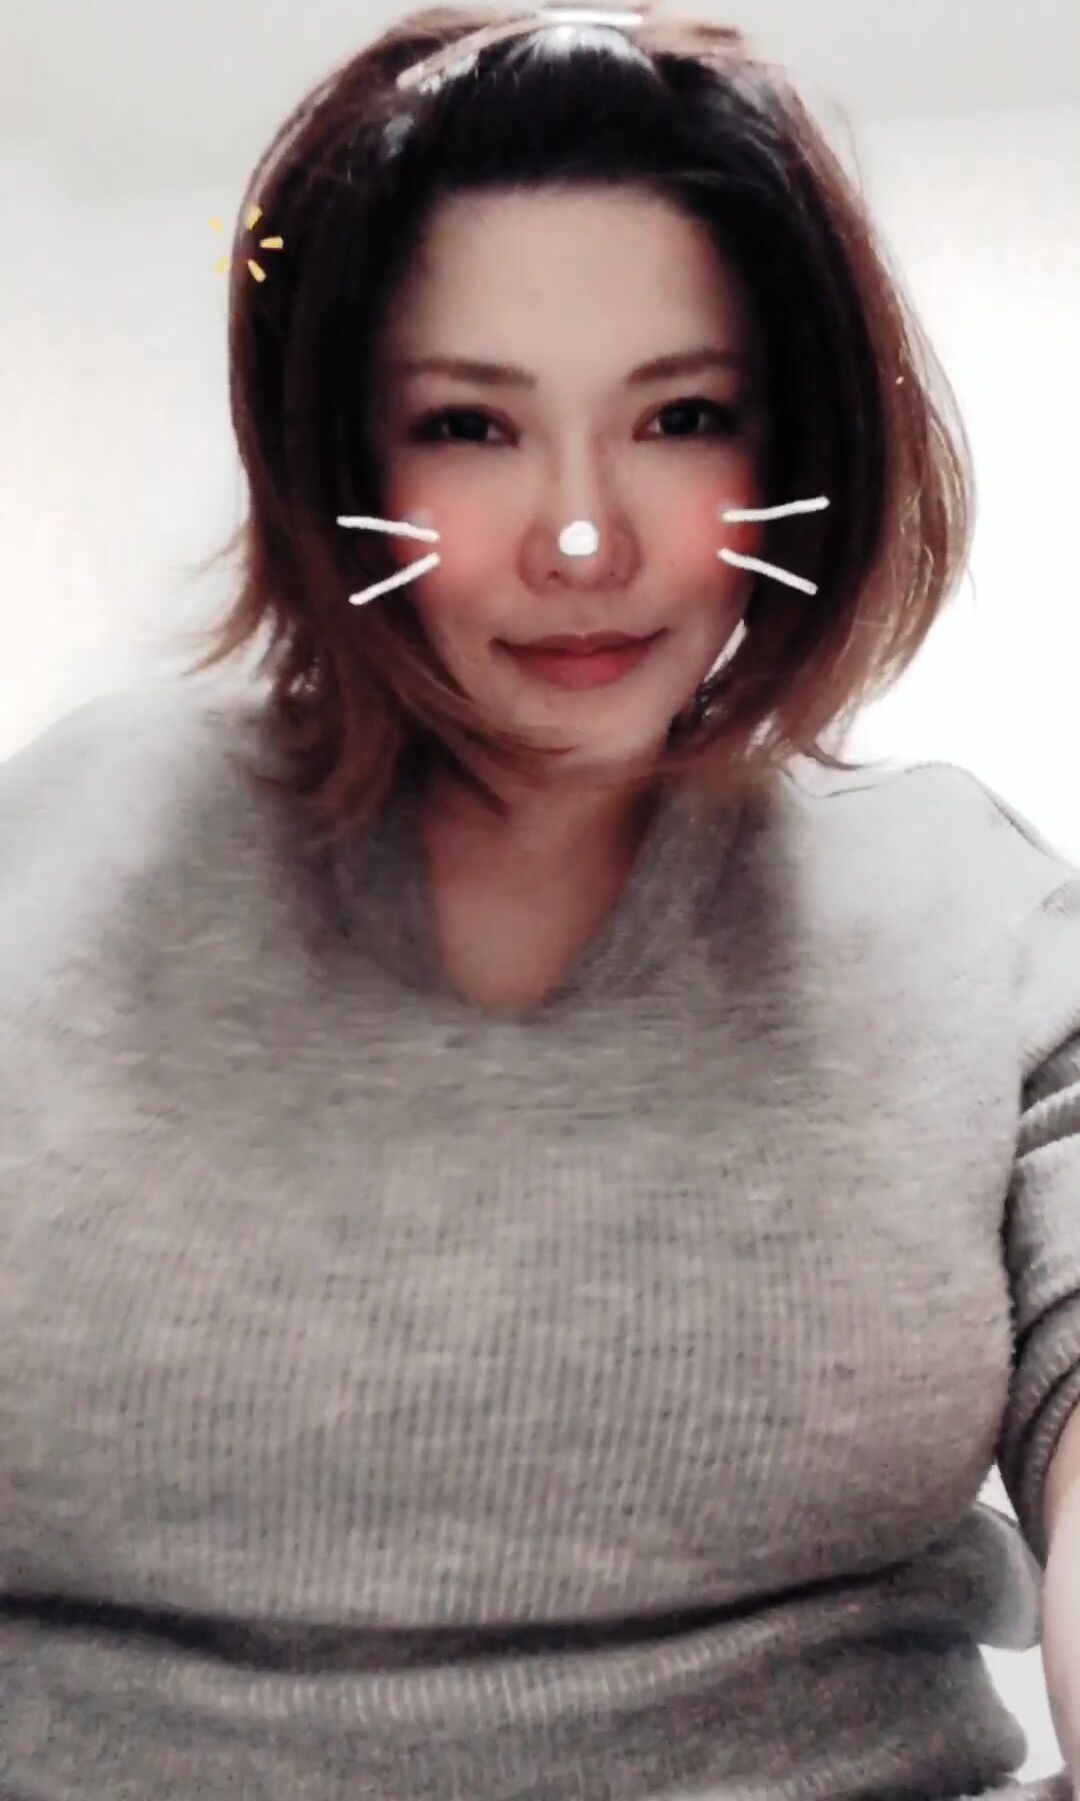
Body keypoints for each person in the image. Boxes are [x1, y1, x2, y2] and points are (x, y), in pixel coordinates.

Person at [2, 4, 1079, 1797]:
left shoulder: (967, 915)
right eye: (470, 426)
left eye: (682, 416)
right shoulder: (57, 864)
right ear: (338, 457)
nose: (585, 538)